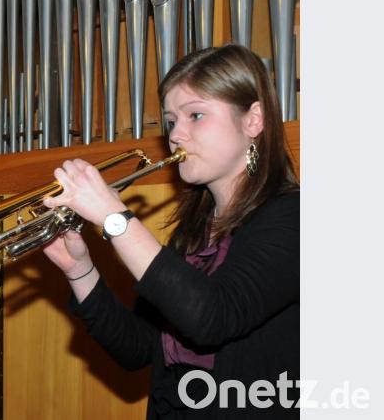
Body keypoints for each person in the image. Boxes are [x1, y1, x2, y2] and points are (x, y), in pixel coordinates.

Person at [42, 44, 299, 418]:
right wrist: (79, 270)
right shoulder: (192, 236)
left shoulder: (294, 216)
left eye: (195, 115)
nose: (176, 134)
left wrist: (114, 217)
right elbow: (137, 350)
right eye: (171, 120)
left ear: (253, 120)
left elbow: (213, 317)